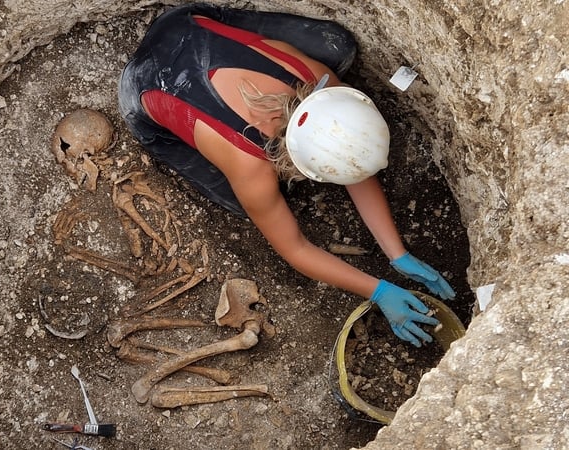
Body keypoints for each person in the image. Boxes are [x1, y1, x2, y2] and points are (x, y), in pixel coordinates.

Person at [118, 3, 455, 347]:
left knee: (337, 46)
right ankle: (160, 129)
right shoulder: (251, 168)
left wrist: (397, 253)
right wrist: (379, 291)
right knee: (240, 202)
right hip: (142, 82)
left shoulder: (318, 81)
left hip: (187, 27)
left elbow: (351, 160)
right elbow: (294, 249)